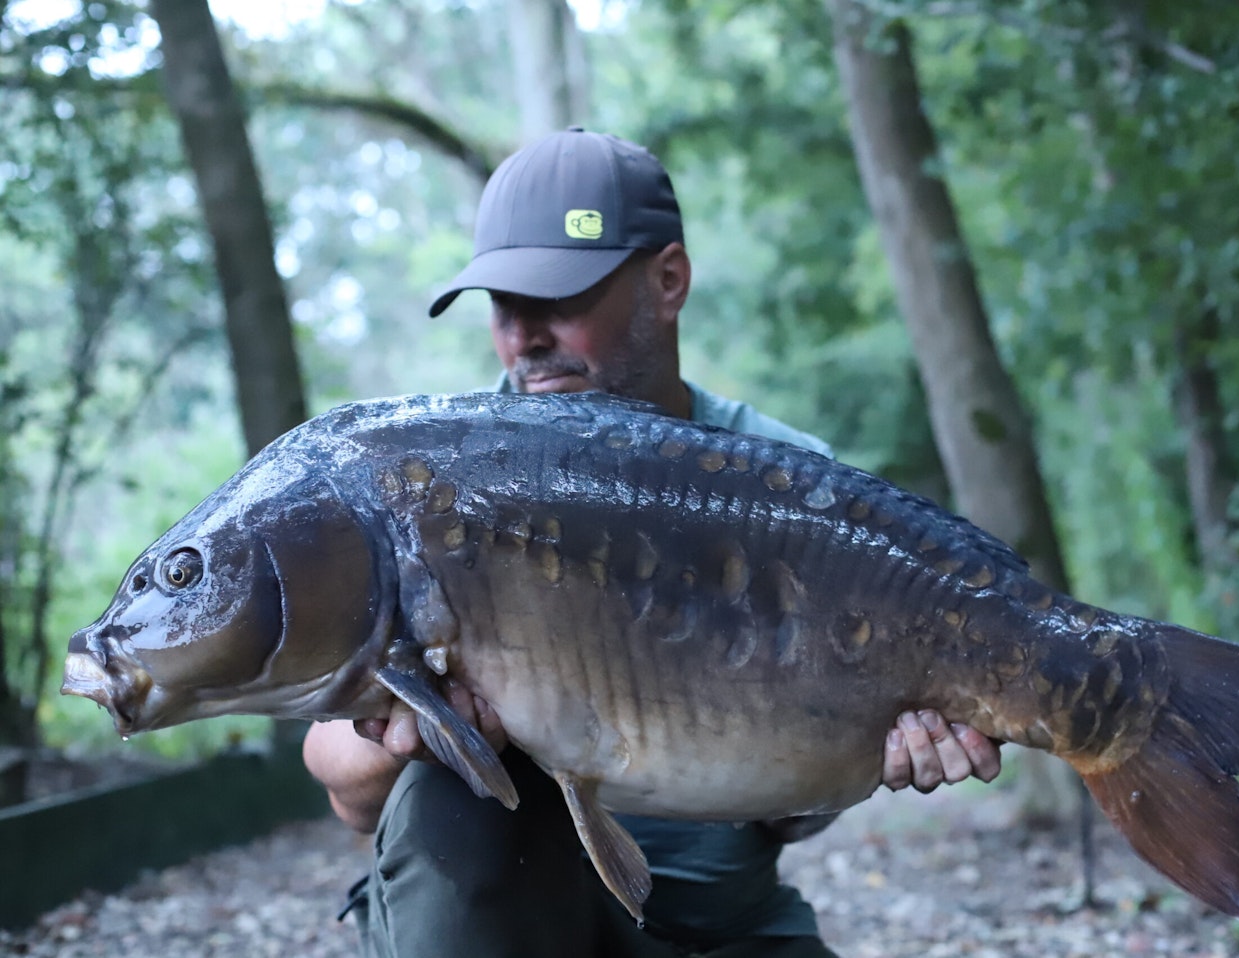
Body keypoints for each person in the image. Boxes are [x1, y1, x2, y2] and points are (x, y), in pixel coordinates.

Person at [303, 128, 1003, 958]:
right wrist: (408, 727)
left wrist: (878, 750)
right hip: (509, 919)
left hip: (716, 930)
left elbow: (793, 813)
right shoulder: (430, 481)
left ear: (667, 281)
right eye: (502, 304)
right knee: (449, 801)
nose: (524, 337)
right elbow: (342, 789)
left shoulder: (797, 493)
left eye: (556, 297)